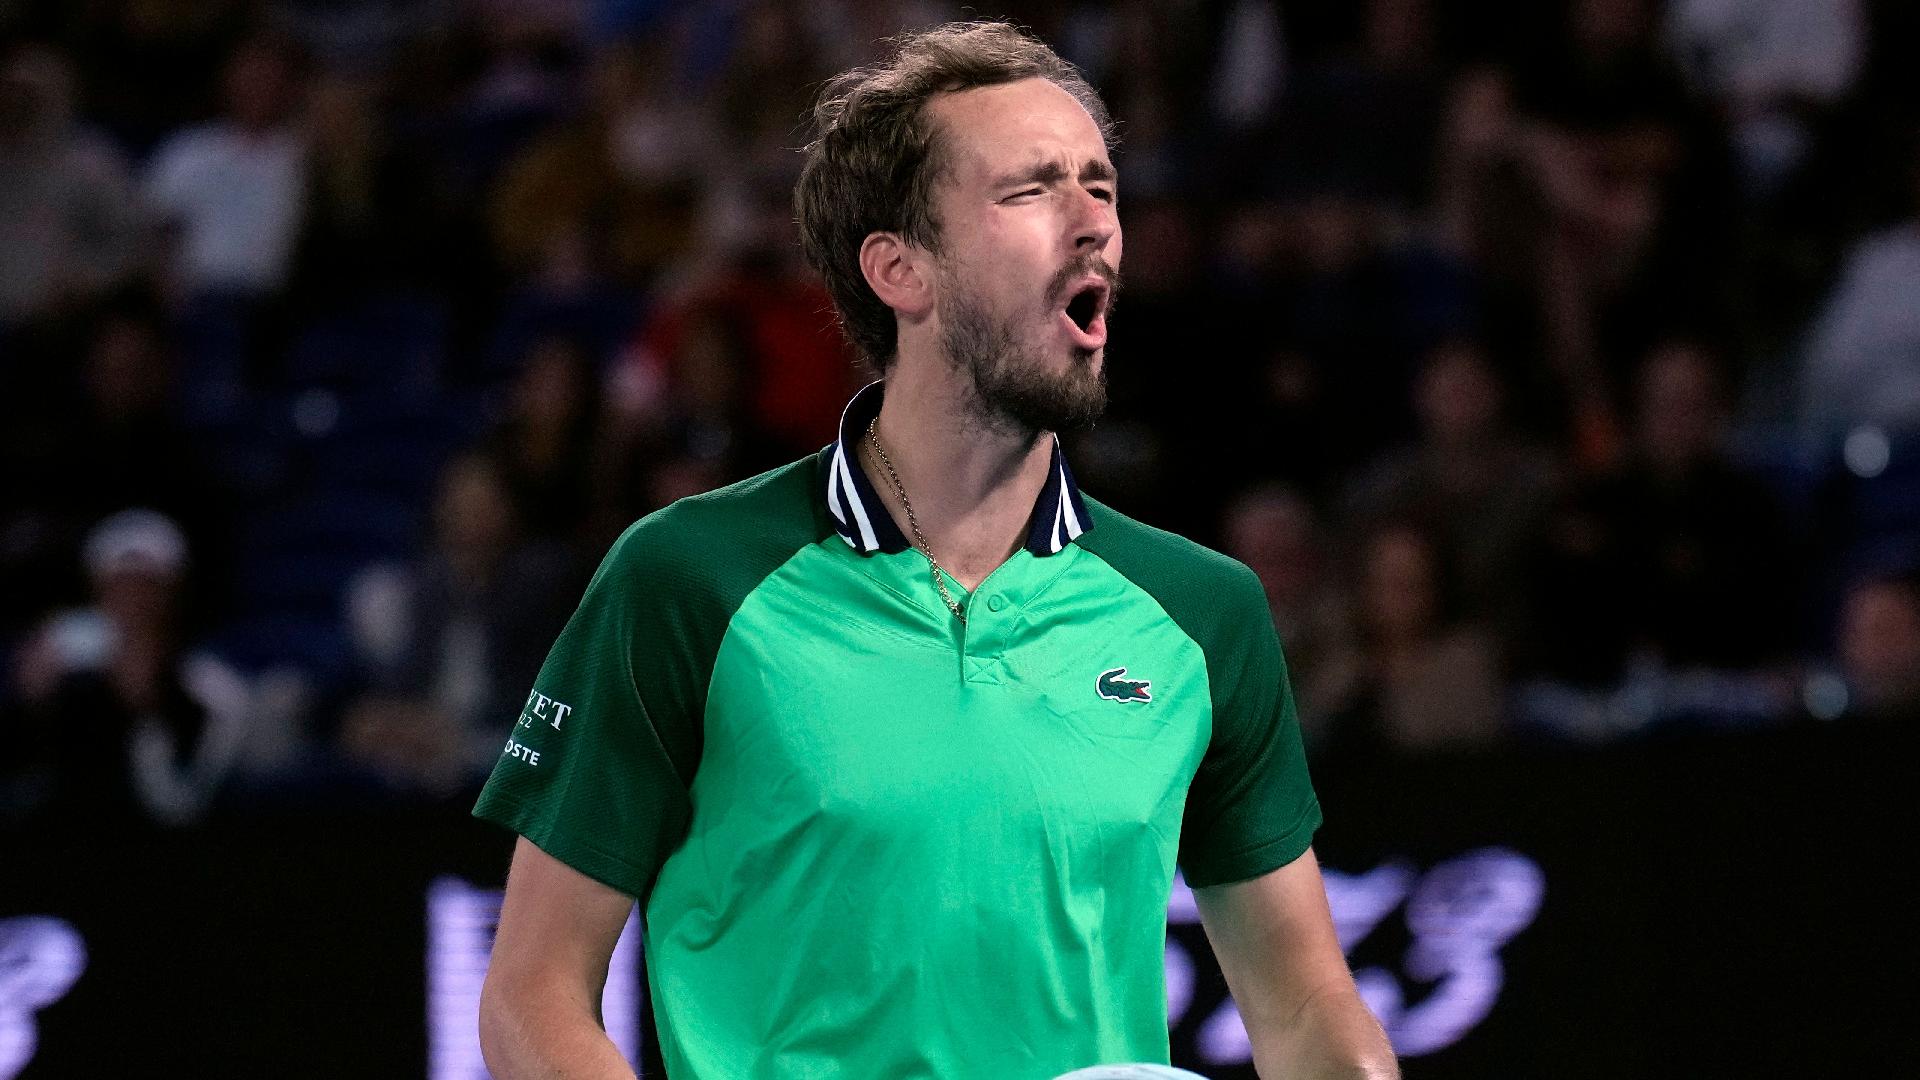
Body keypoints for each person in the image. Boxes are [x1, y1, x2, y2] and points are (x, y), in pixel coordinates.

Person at [473, 22, 1396, 1080]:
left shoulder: (1203, 612)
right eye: (1031, 190)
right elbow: (531, 994)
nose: (1095, 223)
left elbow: (1305, 1006)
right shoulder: (688, 577)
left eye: (1101, 187)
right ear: (900, 270)